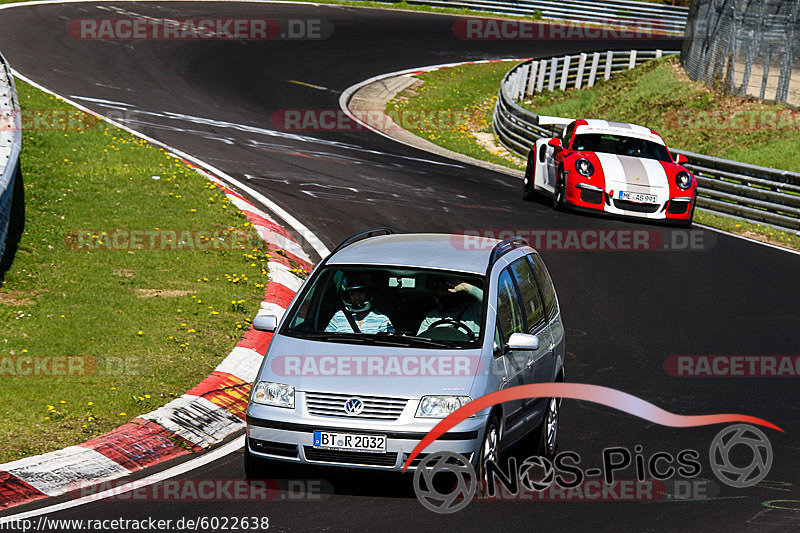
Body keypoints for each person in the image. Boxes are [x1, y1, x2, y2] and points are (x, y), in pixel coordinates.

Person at [325, 275, 394, 334]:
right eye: (352, 294)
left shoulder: (381, 318)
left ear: (367, 295)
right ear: (347, 297)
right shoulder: (338, 317)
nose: (357, 298)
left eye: (360, 293)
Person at [417, 277, 483, 337]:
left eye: (450, 296)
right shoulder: (431, 317)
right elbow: (420, 340)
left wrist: (467, 287)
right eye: (443, 298)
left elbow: (490, 303)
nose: (447, 298)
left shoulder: (475, 310)